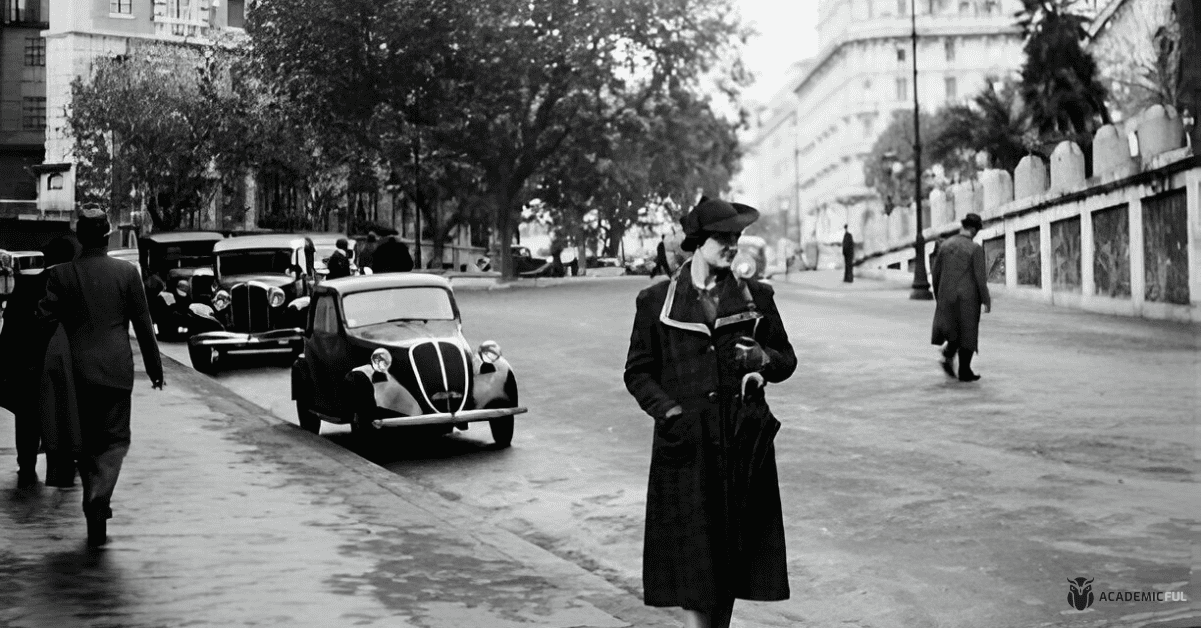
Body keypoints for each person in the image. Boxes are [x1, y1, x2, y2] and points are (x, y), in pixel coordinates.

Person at [624, 197, 796, 628]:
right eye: (724, 237)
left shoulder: (756, 298)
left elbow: (786, 360)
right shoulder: (655, 302)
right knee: (696, 566)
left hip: (741, 446)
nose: (733, 245)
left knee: (732, 561)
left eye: (736, 237)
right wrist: (669, 412)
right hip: (688, 447)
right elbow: (638, 372)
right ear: (698, 242)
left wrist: (762, 359)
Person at [37, 208, 163, 546]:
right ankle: (99, 494)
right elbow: (143, 324)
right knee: (114, 441)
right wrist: (154, 368)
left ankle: (93, 493)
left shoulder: (60, 276)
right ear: (107, 236)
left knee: (84, 442)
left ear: (79, 237)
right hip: (116, 371)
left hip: (74, 374)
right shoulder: (126, 273)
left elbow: (44, 322)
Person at [0, 235, 79, 488]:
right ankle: (65, 465)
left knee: (27, 416)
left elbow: (10, 330)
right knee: (66, 412)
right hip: (67, 366)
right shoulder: (77, 286)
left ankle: (27, 463)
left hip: (29, 366)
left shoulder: (25, 285)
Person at [931, 212, 991, 382]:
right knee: (968, 333)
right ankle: (965, 370)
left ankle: (948, 354)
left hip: (947, 296)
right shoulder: (975, 249)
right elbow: (980, 279)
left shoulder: (945, 246)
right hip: (968, 298)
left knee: (953, 330)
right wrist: (986, 299)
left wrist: (939, 295)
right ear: (973, 229)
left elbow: (936, 274)